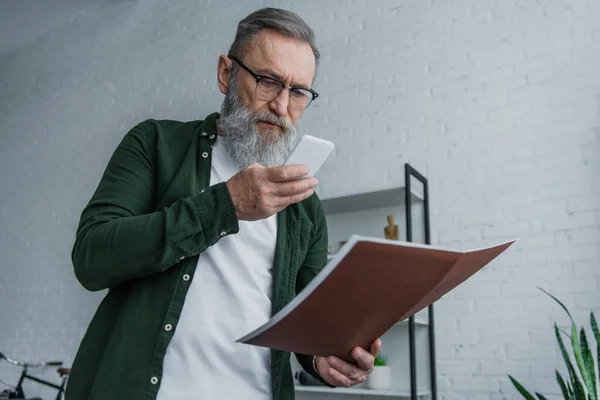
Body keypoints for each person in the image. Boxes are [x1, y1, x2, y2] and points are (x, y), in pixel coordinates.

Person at [66, 7, 381, 400]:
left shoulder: (305, 205)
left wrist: (323, 359)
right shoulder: (154, 144)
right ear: (225, 73)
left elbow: (306, 321)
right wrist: (226, 205)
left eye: (298, 92)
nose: (282, 107)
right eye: (268, 82)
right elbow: (92, 258)